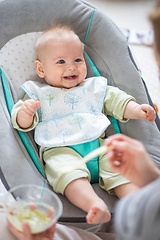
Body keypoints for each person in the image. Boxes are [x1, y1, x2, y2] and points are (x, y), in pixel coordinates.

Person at [11, 24, 156, 225]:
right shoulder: (38, 94)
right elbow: (20, 121)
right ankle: (94, 205)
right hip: (61, 150)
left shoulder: (93, 87)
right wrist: (26, 113)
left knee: (120, 169)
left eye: (78, 60)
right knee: (66, 174)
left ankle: (136, 204)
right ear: (41, 69)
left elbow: (116, 101)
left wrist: (137, 109)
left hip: (100, 147)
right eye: (61, 61)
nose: (71, 67)